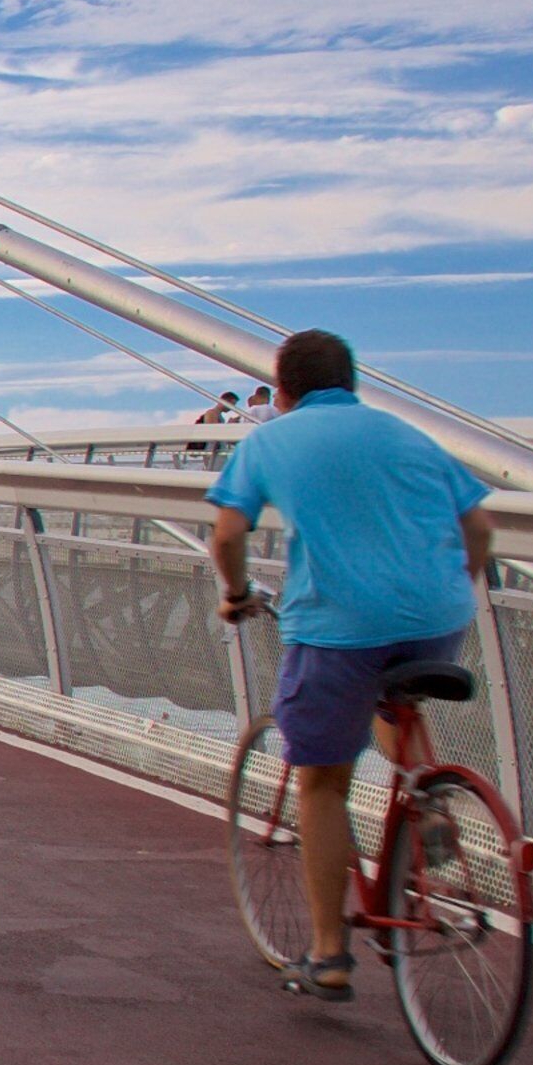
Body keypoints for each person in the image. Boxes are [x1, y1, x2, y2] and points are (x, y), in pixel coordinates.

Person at [206, 328, 494, 1003]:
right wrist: (452, 593)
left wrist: (237, 593)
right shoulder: (408, 435)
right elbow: (479, 529)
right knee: (396, 698)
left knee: (323, 783)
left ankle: (329, 954)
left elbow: (227, 534)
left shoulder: (270, 441)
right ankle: (428, 801)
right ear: (352, 383)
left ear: (282, 392)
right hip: (439, 616)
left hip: (341, 627)